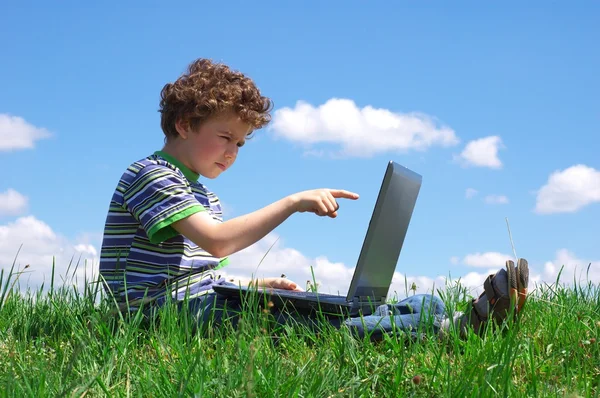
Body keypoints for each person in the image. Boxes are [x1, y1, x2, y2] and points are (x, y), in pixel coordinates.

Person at [98, 58, 528, 340]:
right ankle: (449, 332)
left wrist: (252, 286)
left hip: (200, 302)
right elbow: (217, 243)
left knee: (357, 307)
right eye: (225, 137)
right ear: (185, 124)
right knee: (306, 327)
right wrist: (293, 202)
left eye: (241, 144)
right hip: (159, 320)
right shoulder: (152, 175)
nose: (232, 153)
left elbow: (198, 272)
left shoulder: (200, 192)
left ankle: (443, 315)